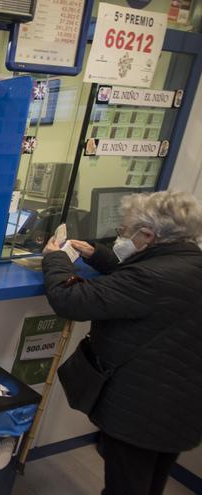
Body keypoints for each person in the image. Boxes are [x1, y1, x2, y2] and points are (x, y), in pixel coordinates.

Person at [41, 190, 202, 495]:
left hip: (141, 410)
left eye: (125, 232)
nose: (123, 237)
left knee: (125, 487)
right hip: (184, 406)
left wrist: (57, 260)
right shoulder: (186, 265)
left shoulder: (152, 279)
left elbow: (71, 300)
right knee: (150, 482)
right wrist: (99, 255)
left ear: (149, 235)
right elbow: (148, 284)